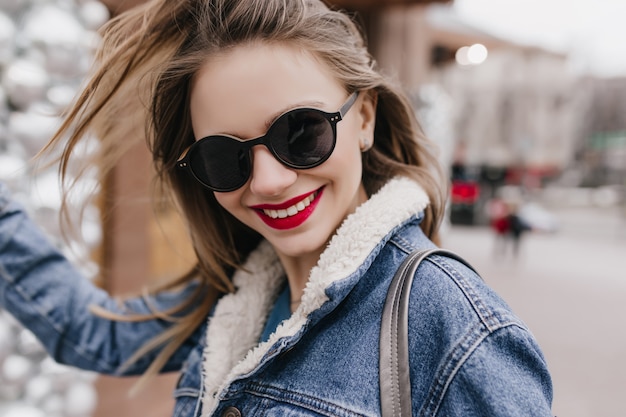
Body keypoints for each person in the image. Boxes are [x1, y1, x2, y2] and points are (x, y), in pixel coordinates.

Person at [0, 0, 553, 415]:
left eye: (301, 132)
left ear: (364, 119)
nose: (268, 181)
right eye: (223, 157)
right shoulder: (236, 298)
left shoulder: (451, 324)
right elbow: (91, 334)